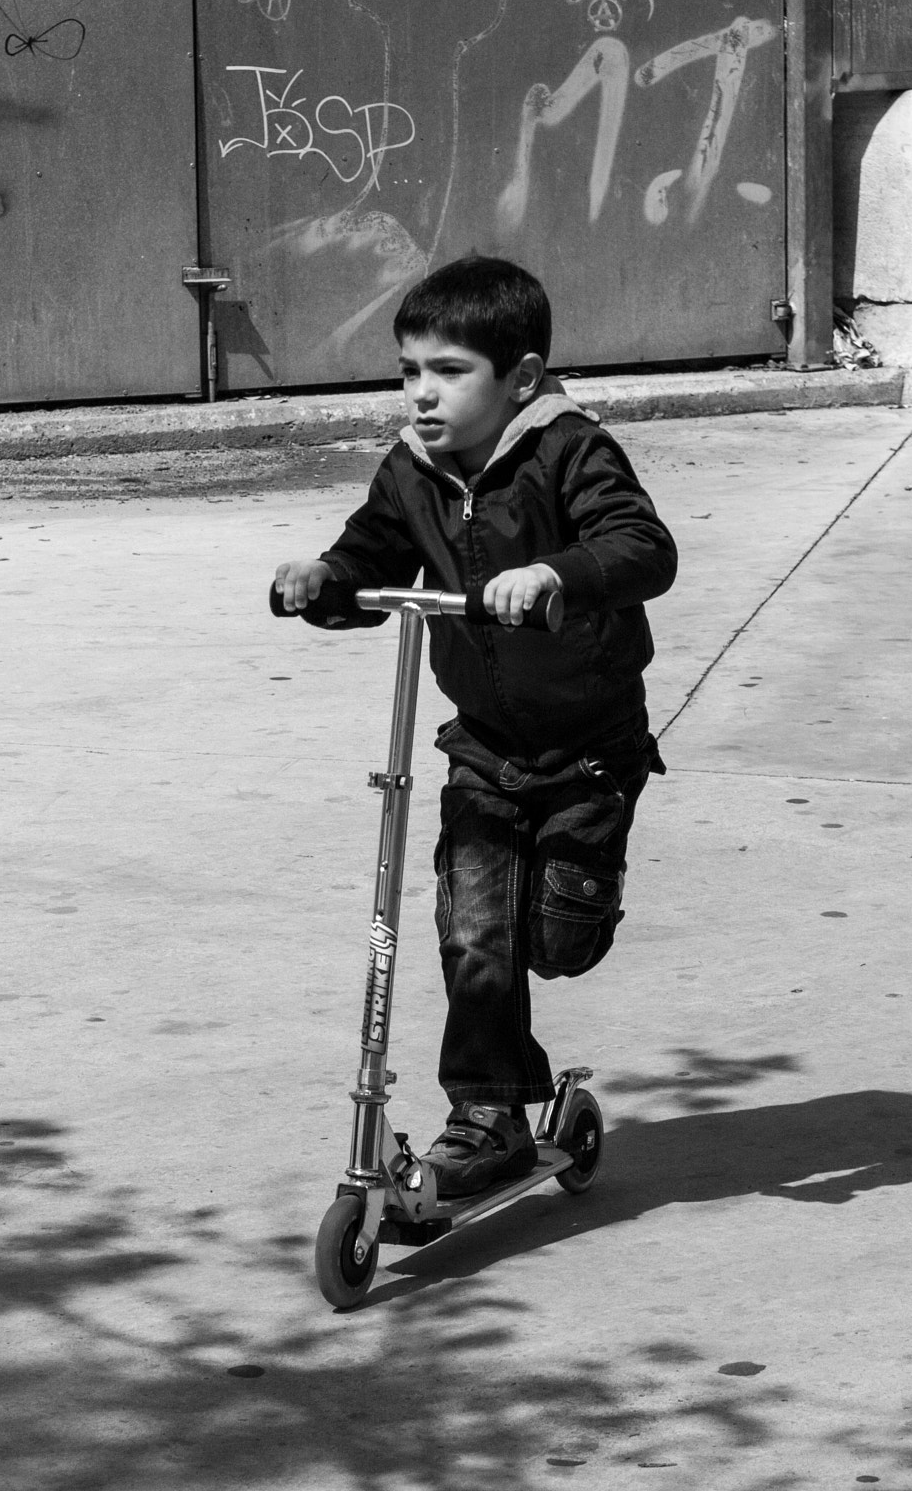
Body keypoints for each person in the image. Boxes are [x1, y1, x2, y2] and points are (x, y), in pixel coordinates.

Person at [273, 255, 677, 1198]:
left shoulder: (569, 450)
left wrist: (555, 577)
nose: (421, 394)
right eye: (409, 370)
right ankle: (488, 1113)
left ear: (521, 380)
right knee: (474, 936)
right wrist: (322, 584)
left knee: (558, 940)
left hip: (588, 747)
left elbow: (641, 547)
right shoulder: (410, 472)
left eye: (449, 372)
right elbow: (366, 558)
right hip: (484, 746)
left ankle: (577, 897)